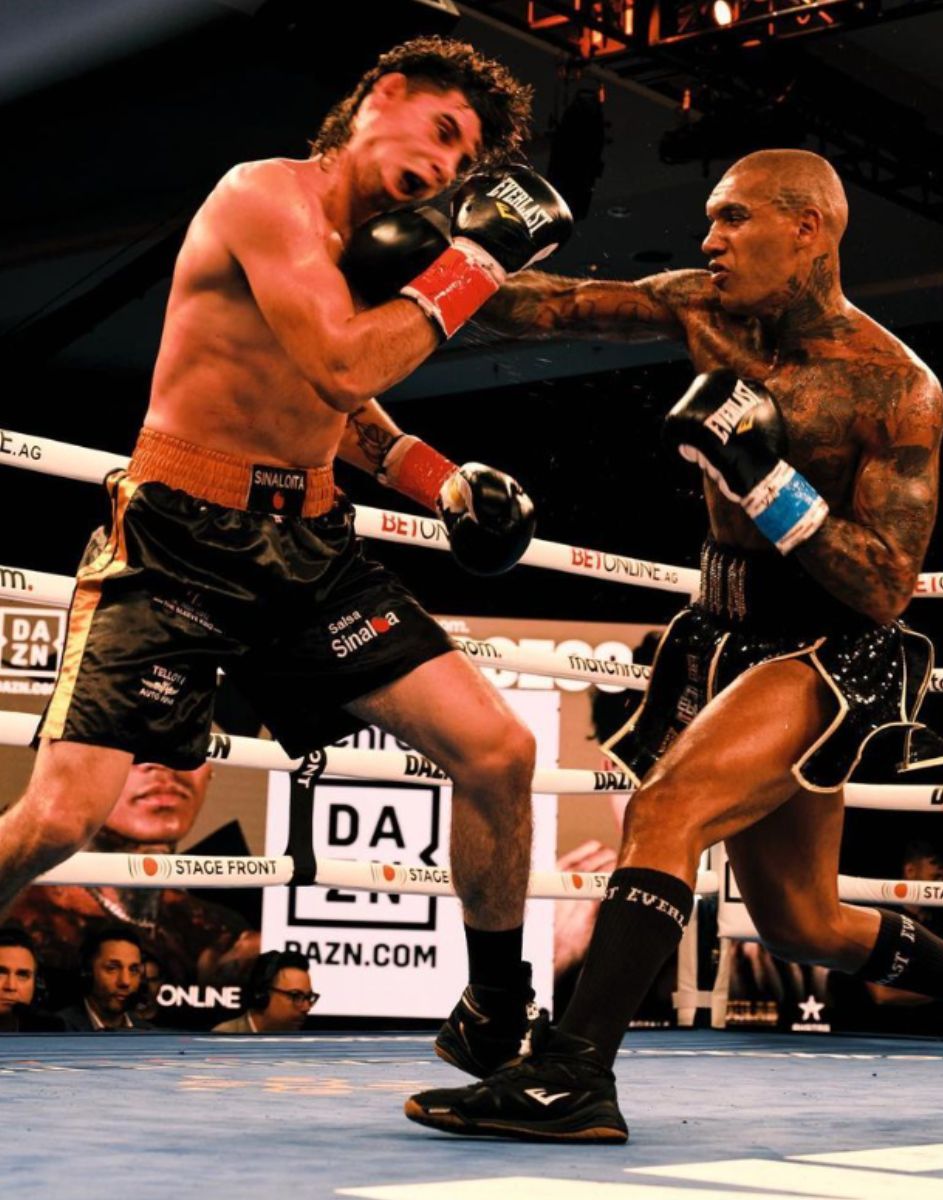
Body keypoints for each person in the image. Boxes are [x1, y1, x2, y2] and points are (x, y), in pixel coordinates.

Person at [0, 37, 573, 1079]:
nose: (449, 172)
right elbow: (342, 355)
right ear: (380, 97)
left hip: (307, 550)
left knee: (499, 753)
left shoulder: (365, 248)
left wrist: (436, 477)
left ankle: (494, 1011)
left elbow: (338, 399)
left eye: (467, 165)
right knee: (62, 814)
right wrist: (478, 262)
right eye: (444, 133)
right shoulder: (264, 196)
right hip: (176, 543)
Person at [404, 149, 943, 1143]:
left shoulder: (894, 386)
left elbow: (886, 583)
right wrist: (454, 246)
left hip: (823, 649)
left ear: (808, 229)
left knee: (668, 808)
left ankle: (573, 1074)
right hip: (723, 629)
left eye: (734, 220)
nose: (708, 241)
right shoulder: (704, 310)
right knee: (802, 922)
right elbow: (537, 308)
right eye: (711, 222)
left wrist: (767, 481)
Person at [9, 758, 256, 1024]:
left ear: (210, 772)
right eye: (135, 752)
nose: (164, 768)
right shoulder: (18, 907)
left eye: (188, 749)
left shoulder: (222, 932)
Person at [56, 924, 153, 1031]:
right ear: (87, 972)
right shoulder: (58, 1031)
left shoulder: (148, 1034)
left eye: (133, 970)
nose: (125, 981)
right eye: (112, 968)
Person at [212, 950, 317, 1033]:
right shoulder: (224, 1039)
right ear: (262, 995)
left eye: (309, 997)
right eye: (296, 996)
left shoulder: (304, 1046)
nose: (306, 1007)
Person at [0, 926, 63, 1032]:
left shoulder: (48, 1030)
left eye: (22, 975)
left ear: (37, 985)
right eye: (1, 973)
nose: (11, 986)